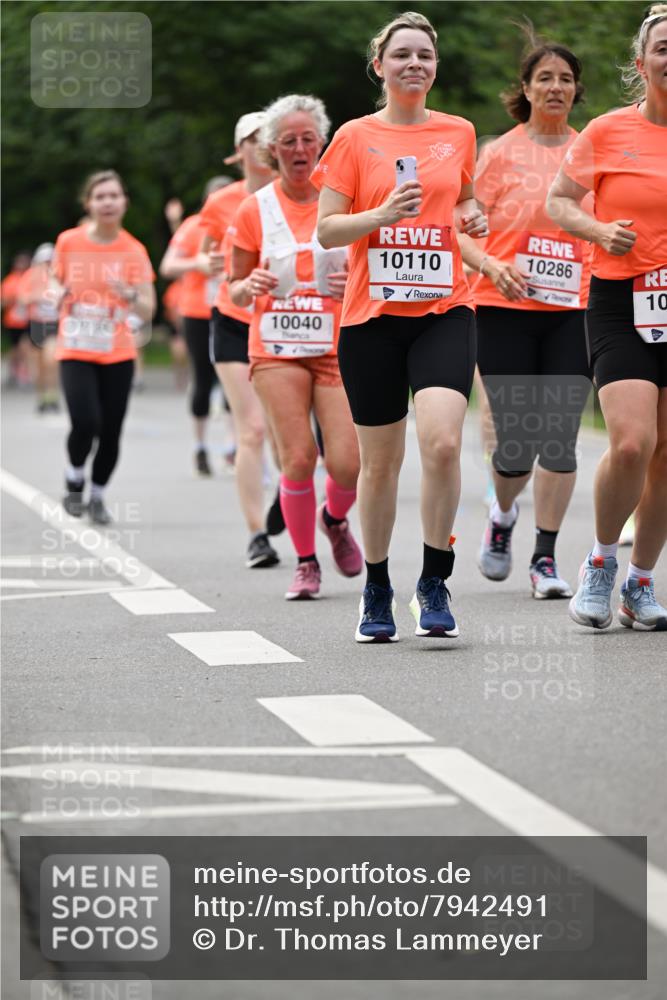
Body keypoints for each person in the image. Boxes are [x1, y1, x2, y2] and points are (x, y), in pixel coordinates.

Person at [313, 11, 487, 641]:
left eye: (425, 56)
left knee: (441, 442)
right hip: (372, 318)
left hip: (445, 307)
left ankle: (434, 580)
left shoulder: (459, 132)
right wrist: (380, 214)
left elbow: (462, 199)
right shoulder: (356, 138)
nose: (415, 64)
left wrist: (473, 219)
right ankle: (378, 586)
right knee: (379, 466)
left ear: (435, 67)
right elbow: (326, 229)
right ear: (379, 65)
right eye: (402, 55)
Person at [459, 37, 593, 600]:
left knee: (559, 438)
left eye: (565, 78)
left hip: (576, 307)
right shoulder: (499, 154)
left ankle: (544, 558)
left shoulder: (594, 150)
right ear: (526, 88)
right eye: (545, 78)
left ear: (576, 90)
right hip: (504, 306)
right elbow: (460, 232)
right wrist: (490, 264)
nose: (556, 87)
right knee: (514, 445)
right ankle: (504, 513)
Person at [547, 4, 667, 630]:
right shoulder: (608, 131)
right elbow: (559, 202)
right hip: (621, 297)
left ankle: (641, 583)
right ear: (642, 62)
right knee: (631, 441)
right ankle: (600, 562)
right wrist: (598, 229)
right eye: (665, 48)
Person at [229, 94, 363, 600]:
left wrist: (353, 276)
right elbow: (235, 285)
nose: (300, 148)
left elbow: (374, 269)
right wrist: (253, 284)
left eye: (308, 139)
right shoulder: (254, 209)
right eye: (289, 141)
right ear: (272, 150)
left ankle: (334, 519)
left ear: (323, 145)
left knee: (348, 463)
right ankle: (306, 562)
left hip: (335, 343)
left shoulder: (345, 200)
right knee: (299, 458)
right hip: (276, 347)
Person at [199, 112, 283, 568]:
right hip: (233, 318)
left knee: (283, 432)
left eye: (266, 137)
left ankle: (285, 498)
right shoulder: (221, 202)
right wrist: (208, 263)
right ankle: (257, 536)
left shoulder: (294, 195)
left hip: (285, 321)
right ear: (239, 151)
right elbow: (203, 251)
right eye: (250, 138)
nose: (260, 145)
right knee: (250, 429)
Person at [52, 170, 156, 524]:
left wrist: (128, 294)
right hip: (76, 348)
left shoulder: (134, 250)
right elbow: (52, 282)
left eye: (114, 195)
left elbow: (148, 307)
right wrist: (56, 294)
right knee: (85, 421)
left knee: (111, 429)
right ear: (88, 204)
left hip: (118, 352)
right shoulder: (68, 242)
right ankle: (74, 474)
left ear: (124, 202)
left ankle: (97, 494)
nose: (108, 202)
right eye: (100, 196)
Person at [159, 176, 232, 475]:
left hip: (233, 310)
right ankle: (200, 446)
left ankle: (233, 445)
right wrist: (197, 264)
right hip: (198, 312)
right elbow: (167, 267)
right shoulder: (193, 226)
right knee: (203, 379)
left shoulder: (245, 219)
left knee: (235, 379)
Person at [18, 243, 61, 412]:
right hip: (36, 324)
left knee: (52, 360)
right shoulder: (30, 276)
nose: (48, 264)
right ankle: (42, 397)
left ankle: (52, 396)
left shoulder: (61, 275)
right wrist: (37, 296)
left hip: (54, 323)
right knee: (39, 364)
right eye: (45, 261)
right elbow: (22, 299)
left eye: (51, 260)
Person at [1, 251, 32, 388]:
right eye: (20, 262)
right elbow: (3, 301)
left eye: (24, 262)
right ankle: (14, 370)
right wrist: (14, 299)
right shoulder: (10, 280)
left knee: (25, 346)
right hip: (13, 321)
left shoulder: (30, 278)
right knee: (15, 348)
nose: (22, 265)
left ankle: (23, 372)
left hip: (27, 320)